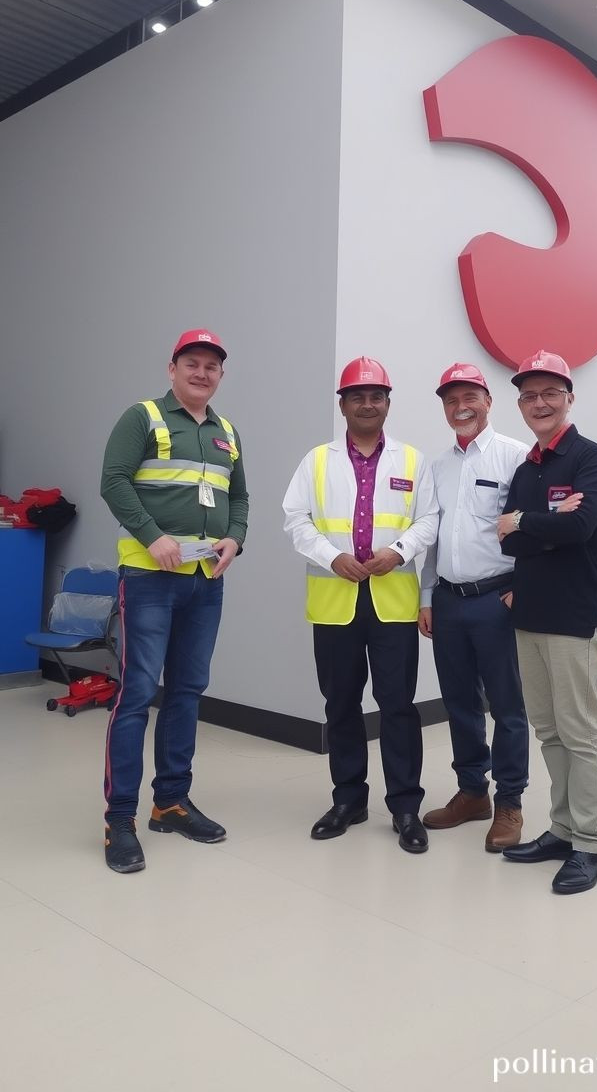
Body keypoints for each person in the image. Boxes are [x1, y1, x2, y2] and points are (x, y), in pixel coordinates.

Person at [100, 329, 249, 874]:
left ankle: (171, 802)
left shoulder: (226, 431)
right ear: (172, 368)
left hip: (205, 580)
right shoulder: (142, 417)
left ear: (220, 375)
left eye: (212, 366)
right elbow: (114, 481)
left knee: (187, 691)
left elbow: (239, 497)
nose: (202, 372)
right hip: (149, 577)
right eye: (192, 363)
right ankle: (120, 819)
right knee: (137, 692)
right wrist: (152, 536)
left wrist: (235, 538)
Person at [283, 357, 438, 854]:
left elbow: (429, 519)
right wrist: (331, 557)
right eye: (357, 397)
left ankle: (405, 807)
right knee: (341, 705)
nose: (367, 405)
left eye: (376, 397)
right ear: (343, 405)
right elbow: (295, 519)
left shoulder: (412, 461)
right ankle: (348, 800)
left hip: (393, 604)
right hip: (336, 603)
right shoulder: (316, 461)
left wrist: (400, 551)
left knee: (398, 707)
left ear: (387, 403)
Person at [497, 349, 597, 894]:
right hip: (529, 615)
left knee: (580, 733)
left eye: (550, 393)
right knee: (548, 731)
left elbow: (582, 528)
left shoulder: (593, 460)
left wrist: (525, 521)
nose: (539, 403)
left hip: (575, 616)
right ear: (521, 404)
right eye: (529, 395)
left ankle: (591, 845)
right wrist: (543, 523)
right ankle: (563, 829)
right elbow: (508, 542)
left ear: (569, 397)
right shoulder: (527, 469)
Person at [419, 364, 529, 851]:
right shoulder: (437, 467)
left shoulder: (515, 457)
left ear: (488, 401)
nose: (460, 407)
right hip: (448, 601)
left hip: (496, 599)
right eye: (451, 400)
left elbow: (533, 526)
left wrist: (525, 586)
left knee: (507, 706)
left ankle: (510, 801)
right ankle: (472, 792)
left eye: (469, 397)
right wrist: (427, 597)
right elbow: (433, 538)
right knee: (459, 701)